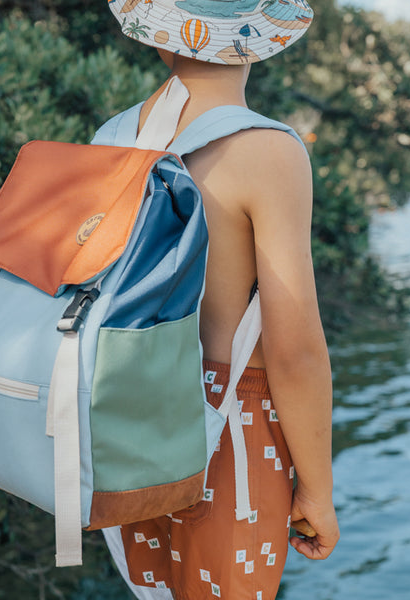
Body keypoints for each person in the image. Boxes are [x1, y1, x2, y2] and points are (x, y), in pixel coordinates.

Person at [97, 1, 340, 598]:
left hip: (126, 418)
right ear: (256, 40)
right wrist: (318, 490)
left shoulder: (111, 137)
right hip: (231, 429)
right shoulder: (268, 152)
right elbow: (295, 354)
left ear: (159, 34)